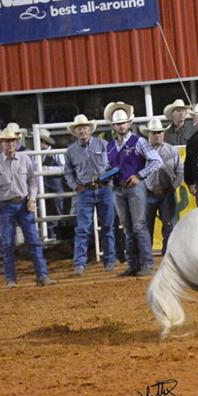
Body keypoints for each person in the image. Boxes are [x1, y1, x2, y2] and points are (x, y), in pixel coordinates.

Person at [0, 125, 54, 288]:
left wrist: (32, 199)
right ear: (1, 144)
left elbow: (33, 181)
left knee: (33, 240)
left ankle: (42, 276)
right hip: (6, 206)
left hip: (23, 203)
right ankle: (11, 279)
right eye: (7, 141)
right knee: (7, 243)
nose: (10, 144)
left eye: (13, 141)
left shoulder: (25, 159)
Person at [104, 101, 161, 277]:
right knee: (128, 227)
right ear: (114, 126)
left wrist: (140, 175)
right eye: (118, 123)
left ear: (129, 123)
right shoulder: (110, 146)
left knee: (138, 226)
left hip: (134, 188)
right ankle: (134, 264)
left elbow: (157, 160)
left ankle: (147, 264)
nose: (121, 126)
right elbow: (107, 166)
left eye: (123, 122)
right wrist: (105, 176)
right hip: (118, 189)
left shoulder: (139, 142)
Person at [62, 114, 116, 275]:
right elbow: (68, 172)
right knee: (83, 229)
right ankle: (80, 264)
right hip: (85, 191)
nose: (82, 131)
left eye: (84, 127)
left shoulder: (104, 144)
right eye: (79, 128)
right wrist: (75, 185)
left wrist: (107, 179)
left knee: (107, 226)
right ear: (75, 131)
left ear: (90, 129)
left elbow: (113, 166)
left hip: (104, 188)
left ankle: (109, 261)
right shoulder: (71, 151)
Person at [143, 117, 184, 256]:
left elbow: (180, 172)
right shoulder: (142, 152)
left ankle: (167, 252)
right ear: (148, 134)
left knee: (169, 225)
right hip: (148, 192)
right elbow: (137, 173)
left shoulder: (171, 150)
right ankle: (147, 255)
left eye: (159, 132)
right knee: (147, 225)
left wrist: (173, 187)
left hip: (167, 192)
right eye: (154, 132)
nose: (157, 135)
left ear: (163, 133)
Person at [36, 129, 67, 240]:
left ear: (43, 141)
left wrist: (49, 168)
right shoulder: (39, 156)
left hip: (55, 187)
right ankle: (51, 236)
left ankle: (61, 236)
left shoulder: (55, 153)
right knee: (48, 212)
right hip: (45, 187)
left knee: (58, 211)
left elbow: (65, 168)